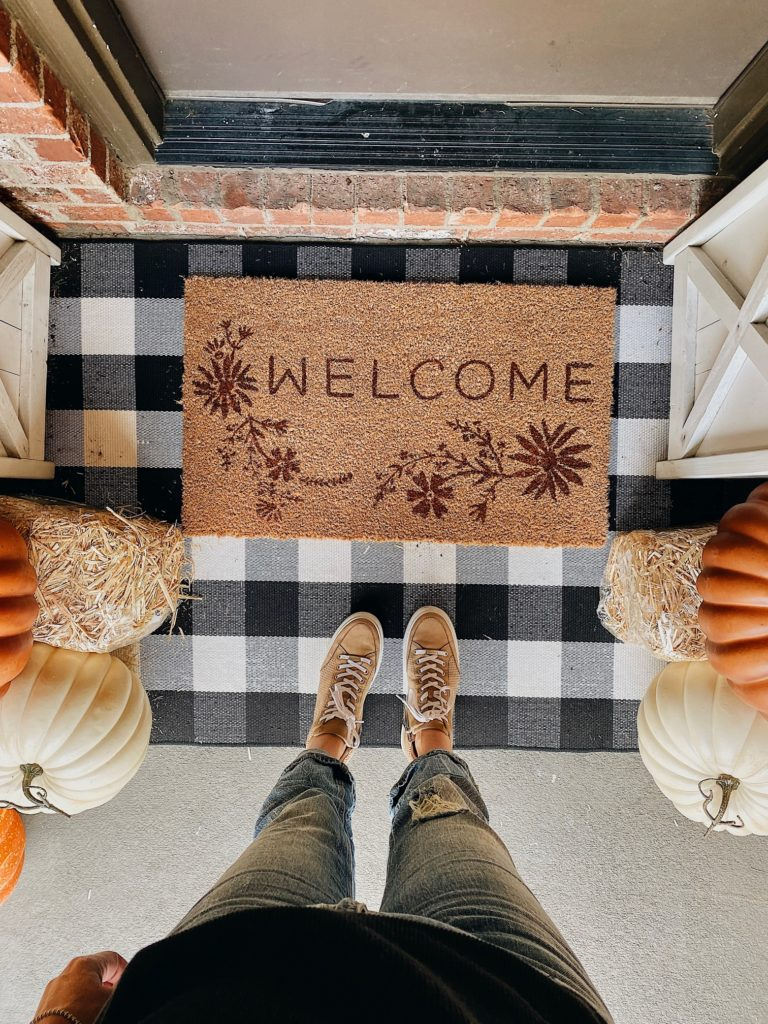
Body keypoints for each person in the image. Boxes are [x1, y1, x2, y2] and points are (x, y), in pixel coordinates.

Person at [31, 607, 613, 1024]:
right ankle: (430, 738)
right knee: (448, 821)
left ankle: (330, 740)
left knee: (302, 819)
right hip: (503, 993)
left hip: (227, 973)